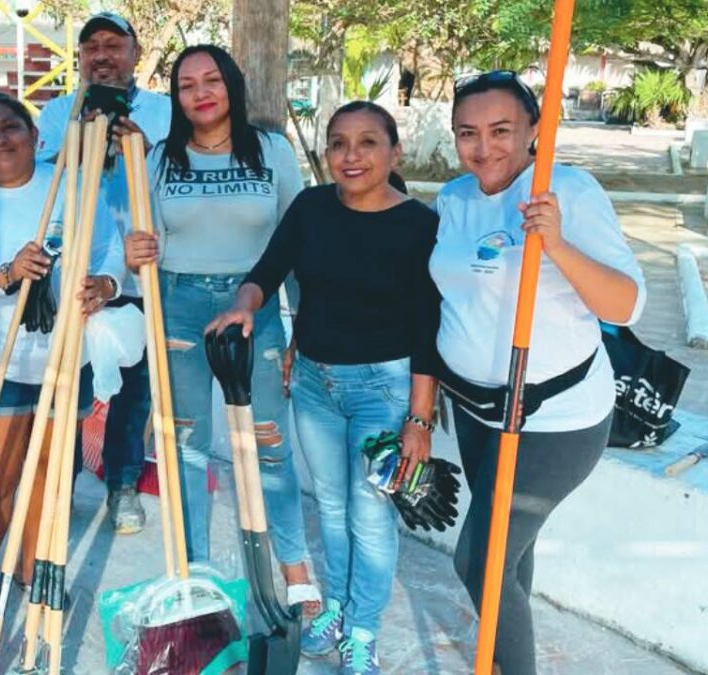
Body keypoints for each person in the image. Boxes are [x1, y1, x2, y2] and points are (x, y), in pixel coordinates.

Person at [208, 101, 442, 675]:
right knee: (332, 507)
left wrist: (419, 419)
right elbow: (269, 268)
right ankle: (335, 606)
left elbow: (428, 326)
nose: (351, 155)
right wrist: (244, 304)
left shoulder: (419, 225)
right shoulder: (312, 207)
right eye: (338, 143)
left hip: (383, 390)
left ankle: (363, 630)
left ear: (394, 152)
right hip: (313, 381)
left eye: (367, 142)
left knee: (370, 513)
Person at [436, 71, 645, 675]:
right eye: (467, 132)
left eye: (502, 130)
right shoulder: (453, 197)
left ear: (534, 130)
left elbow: (625, 306)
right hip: (476, 412)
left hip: (554, 418)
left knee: (479, 562)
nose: (484, 147)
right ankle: (506, 657)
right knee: (508, 562)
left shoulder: (567, 192)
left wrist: (555, 243)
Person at [123, 44, 317, 619]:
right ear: (177, 97)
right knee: (184, 449)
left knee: (268, 446)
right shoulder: (158, 159)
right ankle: (194, 578)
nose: (200, 92)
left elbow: (298, 240)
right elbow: (145, 245)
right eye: (186, 85)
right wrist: (136, 254)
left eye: (211, 80)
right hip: (179, 305)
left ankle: (296, 575)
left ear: (231, 85)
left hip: (253, 303)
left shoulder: (273, 151)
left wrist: (301, 326)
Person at [0, 93, 124, 644]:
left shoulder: (70, 183)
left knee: (48, 476)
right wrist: (7, 272)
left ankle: (32, 571)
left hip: (67, 358)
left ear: (34, 137)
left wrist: (106, 285)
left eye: (10, 128)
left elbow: (108, 247)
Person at [36, 11, 170, 535]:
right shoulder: (56, 113)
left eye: (113, 44)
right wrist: (85, 135)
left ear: (135, 54)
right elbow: (46, 177)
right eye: (91, 46)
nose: (102, 55)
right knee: (69, 388)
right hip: (77, 274)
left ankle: (122, 486)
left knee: (134, 395)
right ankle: (58, 488)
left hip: (142, 272)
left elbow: (170, 175)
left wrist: (136, 146)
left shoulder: (162, 112)